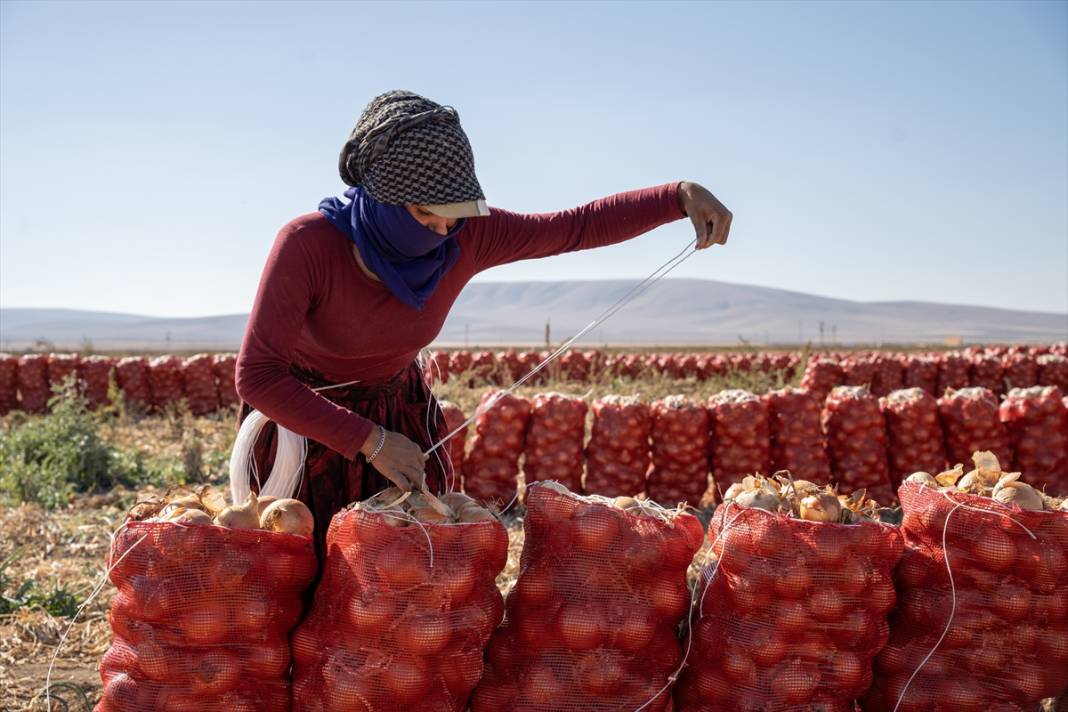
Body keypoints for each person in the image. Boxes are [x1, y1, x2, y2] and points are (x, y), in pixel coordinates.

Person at [235, 90, 733, 552]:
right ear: (384, 195)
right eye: (426, 216)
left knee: (404, 573)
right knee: (303, 566)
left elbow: (575, 227)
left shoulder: (468, 237)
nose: (441, 232)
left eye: (453, 217)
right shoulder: (309, 245)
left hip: (397, 415)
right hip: (308, 425)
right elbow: (258, 376)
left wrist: (677, 196)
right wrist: (370, 441)